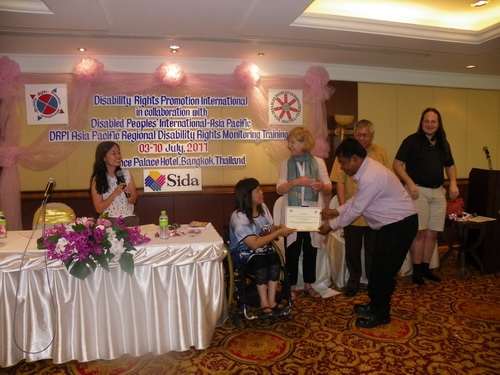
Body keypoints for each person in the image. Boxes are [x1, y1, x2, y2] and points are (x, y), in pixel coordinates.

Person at [319, 138, 418, 328]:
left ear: (355, 159)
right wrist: (336, 211)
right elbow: (357, 200)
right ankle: (375, 305)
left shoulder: (371, 175)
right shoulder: (367, 170)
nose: (342, 167)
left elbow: (357, 210)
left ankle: (381, 314)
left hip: (400, 225)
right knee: (378, 268)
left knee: (383, 271)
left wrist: (331, 225)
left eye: (343, 162)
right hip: (393, 226)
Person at [393, 108, 459, 285]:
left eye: (433, 121)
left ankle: (425, 268)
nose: (430, 125)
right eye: (426, 121)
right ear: (421, 123)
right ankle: (416, 272)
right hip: (418, 192)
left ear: (438, 124)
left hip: (438, 192)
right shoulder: (411, 141)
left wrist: (453, 182)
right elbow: (397, 164)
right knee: (419, 232)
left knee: (432, 233)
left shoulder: (443, 143)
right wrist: (410, 183)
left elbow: (450, 165)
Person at [330, 119, 390, 297]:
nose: (362, 138)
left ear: (372, 135)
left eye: (365, 135)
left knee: (374, 250)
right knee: (353, 251)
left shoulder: (380, 152)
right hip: (353, 211)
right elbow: (339, 182)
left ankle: (373, 281)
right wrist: (343, 208)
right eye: (358, 134)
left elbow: (385, 180)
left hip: (375, 211)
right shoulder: (345, 152)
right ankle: (353, 281)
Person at [277, 126, 332, 300]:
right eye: (289, 142)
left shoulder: (319, 162)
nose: (289, 146)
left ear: (303, 143)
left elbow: (328, 186)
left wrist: (321, 186)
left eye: (292, 142)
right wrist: (295, 182)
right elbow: (279, 189)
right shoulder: (286, 163)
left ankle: (309, 285)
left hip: (312, 213)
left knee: (311, 250)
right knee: (292, 250)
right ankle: (291, 287)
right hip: (293, 214)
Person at [229, 178, 295, 317]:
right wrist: (278, 233)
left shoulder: (263, 208)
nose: (261, 192)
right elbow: (253, 244)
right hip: (243, 253)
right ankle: (263, 303)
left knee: (275, 258)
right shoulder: (238, 217)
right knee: (260, 262)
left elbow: (267, 229)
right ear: (247, 195)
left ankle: (271, 301)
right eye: (257, 190)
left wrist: (277, 228)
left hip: (263, 249)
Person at [90, 141, 139, 227]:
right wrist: (114, 194)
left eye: (119, 152)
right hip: (109, 221)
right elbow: (98, 208)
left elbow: (133, 201)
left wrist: (129, 194)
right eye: (114, 153)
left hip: (129, 218)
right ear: (104, 158)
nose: (118, 156)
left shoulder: (126, 175)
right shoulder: (97, 180)